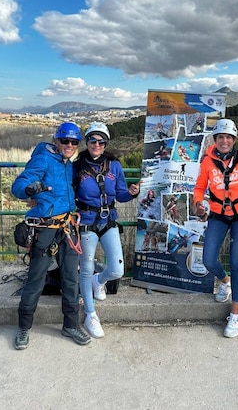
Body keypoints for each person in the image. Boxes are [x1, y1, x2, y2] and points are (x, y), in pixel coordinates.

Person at [11, 122, 90, 350]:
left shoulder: (68, 164)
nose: (69, 145)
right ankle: (24, 328)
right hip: (45, 228)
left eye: (74, 142)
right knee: (36, 279)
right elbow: (19, 183)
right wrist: (28, 190)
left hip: (67, 227)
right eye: (65, 141)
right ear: (56, 141)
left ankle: (71, 325)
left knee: (70, 279)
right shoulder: (44, 158)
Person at [73, 122, 140, 339]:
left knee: (117, 270)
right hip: (86, 221)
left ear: (106, 144)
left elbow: (120, 194)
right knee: (86, 267)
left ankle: (98, 281)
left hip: (108, 220)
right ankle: (90, 314)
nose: (97, 144)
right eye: (93, 140)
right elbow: (67, 192)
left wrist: (130, 193)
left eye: (101, 141)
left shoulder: (114, 166)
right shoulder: (77, 167)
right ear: (87, 142)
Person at [193, 119, 238, 338]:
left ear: (234, 140)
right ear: (215, 140)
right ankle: (225, 281)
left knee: (236, 261)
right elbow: (199, 187)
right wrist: (198, 203)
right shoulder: (207, 162)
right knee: (208, 259)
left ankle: (235, 314)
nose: (224, 141)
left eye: (228, 137)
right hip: (218, 214)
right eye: (220, 137)